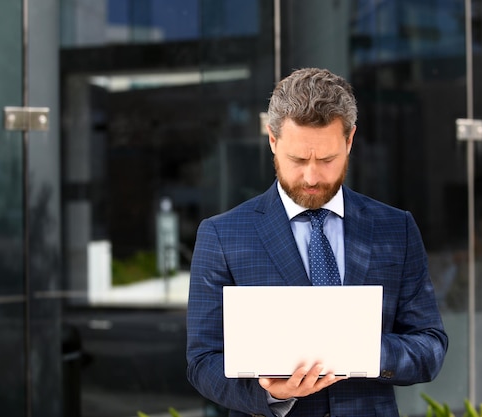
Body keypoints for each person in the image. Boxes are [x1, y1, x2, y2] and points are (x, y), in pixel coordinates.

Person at [186, 67, 448, 417]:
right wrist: (272, 395)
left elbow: (429, 346)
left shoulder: (395, 229)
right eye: (297, 160)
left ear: (350, 140)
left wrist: (360, 351)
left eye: (327, 160)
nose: (311, 176)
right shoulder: (222, 235)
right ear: (273, 140)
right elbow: (202, 361)